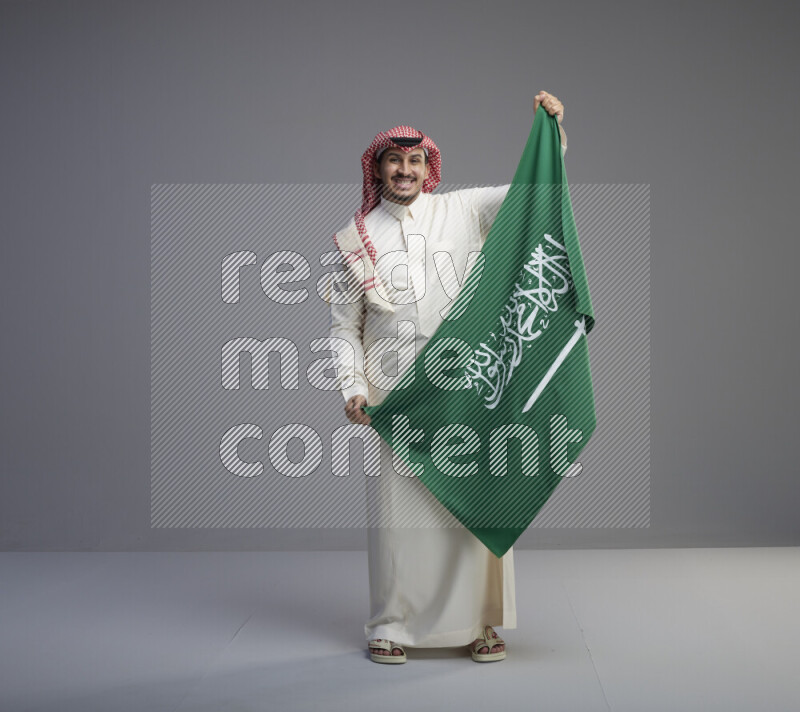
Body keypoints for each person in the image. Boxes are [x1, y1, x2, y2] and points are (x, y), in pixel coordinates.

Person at [327, 91, 567, 663]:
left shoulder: (462, 209)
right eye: (394, 161)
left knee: (472, 503)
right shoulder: (351, 242)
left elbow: (533, 190)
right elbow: (342, 328)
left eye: (414, 161)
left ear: (427, 167)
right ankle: (392, 625)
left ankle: (482, 626)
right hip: (396, 394)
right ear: (378, 168)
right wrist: (352, 387)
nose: (404, 170)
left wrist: (553, 133)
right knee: (399, 517)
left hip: (466, 383)